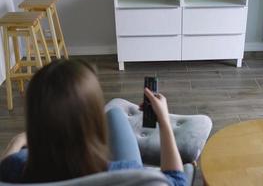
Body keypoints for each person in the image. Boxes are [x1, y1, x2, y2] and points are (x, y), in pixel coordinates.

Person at [0, 60, 186, 185]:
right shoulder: (127, 174)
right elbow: (176, 181)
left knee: (114, 112)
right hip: (103, 168)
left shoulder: (15, 168)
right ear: (93, 120)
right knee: (114, 113)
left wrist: (15, 142)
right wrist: (163, 121)